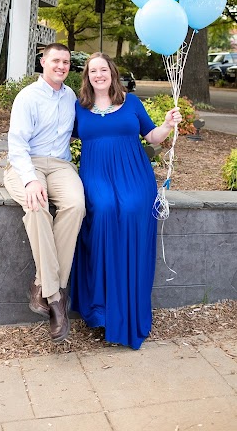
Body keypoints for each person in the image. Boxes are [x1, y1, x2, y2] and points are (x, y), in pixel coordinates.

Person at [70, 52, 182, 350]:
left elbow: (152, 137)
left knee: (133, 209)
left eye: (103, 69)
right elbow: (58, 136)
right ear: (87, 76)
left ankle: (129, 310)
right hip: (96, 175)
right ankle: (101, 310)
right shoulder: (79, 108)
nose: (98, 74)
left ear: (112, 72)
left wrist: (168, 124)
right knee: (104, 211)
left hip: (134, 175)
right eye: (93, 70)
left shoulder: (131, 102)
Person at [4, 43, 86, 342]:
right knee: (37, 206)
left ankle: (42, 286)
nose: (61, 66)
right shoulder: (27, 97)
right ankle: (57, 299)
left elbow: (81, 129)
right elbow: (17, 146)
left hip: (60, 165)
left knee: (76, 205)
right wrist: (30, 180)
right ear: (43, 62)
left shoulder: (70, 97)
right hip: (27, 163)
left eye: (66, 62)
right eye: (56, 61)